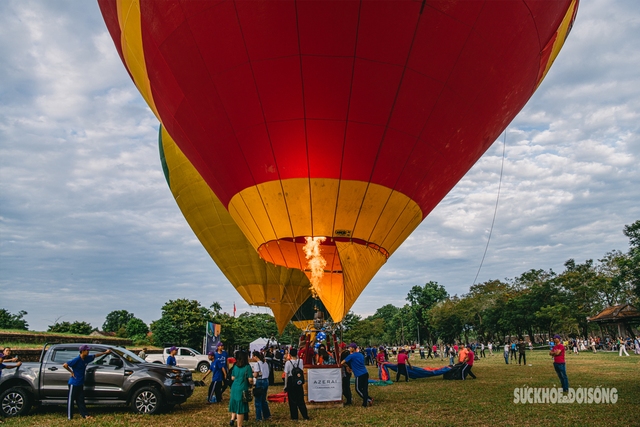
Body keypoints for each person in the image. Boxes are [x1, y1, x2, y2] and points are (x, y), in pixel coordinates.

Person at [63, 345, 111, 420]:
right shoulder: (77, 359)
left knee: (81, 400)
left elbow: (95, 355)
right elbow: (65, 365)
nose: (88, 352)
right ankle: (70, 416)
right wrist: (71, 372)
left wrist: (105, 353)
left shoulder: (86, 358)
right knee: (71, 400)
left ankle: (85, 415)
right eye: (87, 350)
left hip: (80, 383)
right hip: (74, 383)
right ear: (82, 351)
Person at [342, 343, 372, 407]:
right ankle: (365, 404)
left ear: (353, 348)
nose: (349, 349)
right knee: (364, 389)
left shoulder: (351, 356)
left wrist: (346, 366)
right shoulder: (361, 355)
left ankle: (368, 399)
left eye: (350, 348)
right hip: (365, 373)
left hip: (359, 375)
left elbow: (342, 362)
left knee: (358, 389)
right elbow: (357, 363)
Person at [228, 350, 253, 427]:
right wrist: (252, 383)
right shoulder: (247, 367)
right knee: (240, 409)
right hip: (242, 388)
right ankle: (239, 425)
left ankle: (233, 419)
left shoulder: (235, 366)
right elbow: (250, 379)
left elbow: (232, 377)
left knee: (235, 405)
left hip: (234, 387)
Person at [283, 348, 309, 420]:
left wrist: (285, 385)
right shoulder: (300, 361)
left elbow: (286, 375)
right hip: (299, 381)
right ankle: (305, 415)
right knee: (300, 399)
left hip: (291, 381)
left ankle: (294, 417)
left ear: (290, 354)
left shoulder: (288, 363)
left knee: (292, 400)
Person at [252, 351, 271, 421]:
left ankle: (259, 417)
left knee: (258, 400)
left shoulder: (257, 364)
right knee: (263, 399)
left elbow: (256, 374)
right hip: (266, 380)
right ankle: (267, 415)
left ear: (255, 357)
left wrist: (253, 374)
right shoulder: (265, 363)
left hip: (260, 381)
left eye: (253, 356)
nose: (252, 358)